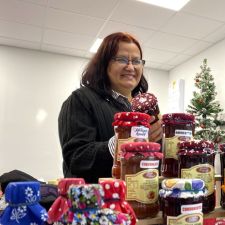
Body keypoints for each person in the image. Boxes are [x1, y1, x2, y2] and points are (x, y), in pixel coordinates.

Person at [58, 32, 163, 183]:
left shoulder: (144, 108)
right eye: (122, 60)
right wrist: (126, 141)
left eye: (136, 61)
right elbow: (76, 158)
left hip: (141, 198)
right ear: (104, 63)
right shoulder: (81, 99)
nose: (130, 67)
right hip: (98, 202)